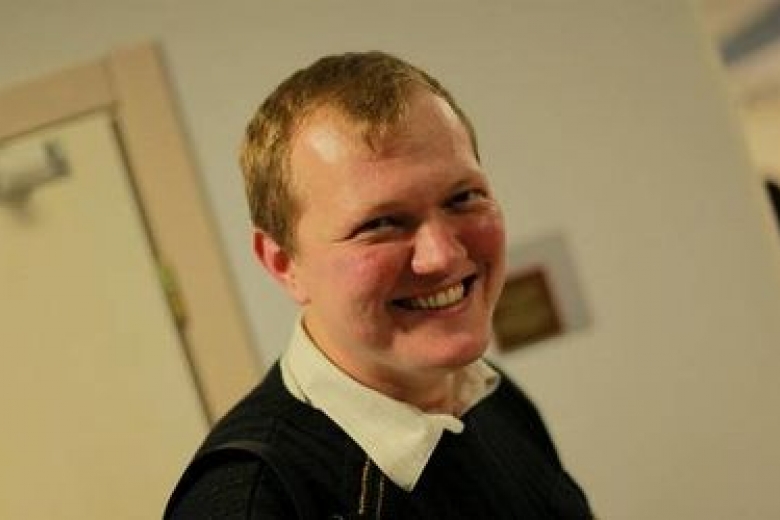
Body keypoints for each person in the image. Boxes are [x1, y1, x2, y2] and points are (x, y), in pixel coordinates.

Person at [165, 50, 592, 519]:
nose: (443, 255)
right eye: (381, 224)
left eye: (463, 197)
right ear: (283, 263)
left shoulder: (492, 396)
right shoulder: (251, 503)